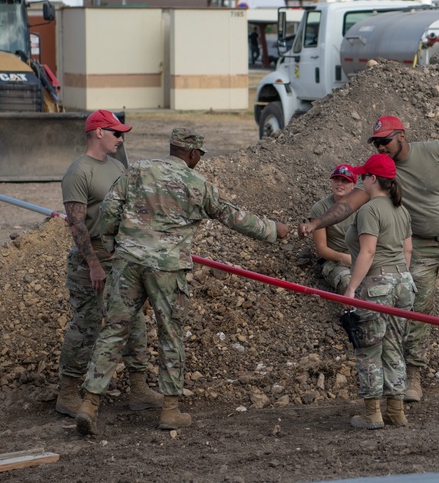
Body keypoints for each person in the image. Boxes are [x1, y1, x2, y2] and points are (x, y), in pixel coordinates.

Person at [76, 127, 291, 435]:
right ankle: (170, 411)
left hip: (128, 263)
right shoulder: (197, 184)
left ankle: (89, 404)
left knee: (113, 330)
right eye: (198, 156)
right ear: (192, 154)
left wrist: (114, 247)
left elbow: (109, 211)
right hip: (167, 268)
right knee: (170, 334)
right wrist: (274, 230)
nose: (199, 161)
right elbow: (233, 216)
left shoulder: (138, 169)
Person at [299, 115, 439, 402]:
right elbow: (346, 206)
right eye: (376, 143)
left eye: (385, 141)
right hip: (421, 248)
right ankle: (414, 377)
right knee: (415, 312)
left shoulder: (431, 151)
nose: (381, 147)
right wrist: (315, 224)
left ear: (401, 136)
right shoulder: (381, 172)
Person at [55, 109, 162, 418]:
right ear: (98, 133)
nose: (121, 137)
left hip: (122, 259)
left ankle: (138, 388)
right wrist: (93, 264)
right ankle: (68, 392)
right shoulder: (78, 172)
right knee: (87, 325)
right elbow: (76, 224)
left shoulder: (118, 166)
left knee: (135, 322)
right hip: (93, 263)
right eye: (116, 133)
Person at [341, 154, 415, 429]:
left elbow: (368, 251)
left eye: (363, 177)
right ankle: (396, 411)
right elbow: (407, 251)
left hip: (376, 284)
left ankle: (372, 414)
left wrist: (351, 288)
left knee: (369, 349)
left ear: (373, 179)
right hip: (403, 283)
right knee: (395, 346)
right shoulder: (402, 209)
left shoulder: (370, 210)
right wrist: (398, 278)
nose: (360, 181)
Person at [309, 164, 357, 293]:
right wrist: (345, 258)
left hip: (360, 258)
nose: (340, 184)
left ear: (354, 185)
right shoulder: (321, 209)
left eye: (345, 181)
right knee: (349, 283)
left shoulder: (363, 207)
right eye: (337, 179)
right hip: (335, 261)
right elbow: (321, 250)